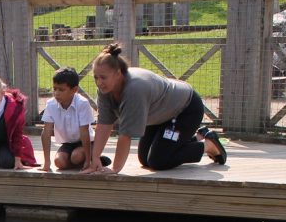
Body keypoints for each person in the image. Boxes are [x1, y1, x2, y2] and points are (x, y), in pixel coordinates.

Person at [84, 43, 227, 175]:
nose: (99, 82)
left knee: (158, 161)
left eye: (103, 77)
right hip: (159, 117)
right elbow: (104, 124)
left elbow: (125, 135)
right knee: (145, 159)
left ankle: (208, 145)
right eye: (96, 77)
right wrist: (95, 158)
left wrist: (115, 169)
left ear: (118, 73)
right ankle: (197, 137)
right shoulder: (105, 90)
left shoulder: (134, 89)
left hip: (185, 110)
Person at [39, 67, 111, 172]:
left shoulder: (82, 103)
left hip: (86, 142)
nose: (56, 93)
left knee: (76, 157)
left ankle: (91, 158)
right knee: (59, 162)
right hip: (67, 143)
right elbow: (46, 132)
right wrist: (46, 163)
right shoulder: (51, 104)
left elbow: (84, 132)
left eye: (61, 89)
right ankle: (88, 161)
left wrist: (87, 161)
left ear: (74, 90)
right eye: (55, 89)